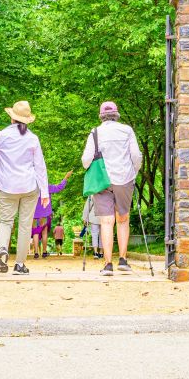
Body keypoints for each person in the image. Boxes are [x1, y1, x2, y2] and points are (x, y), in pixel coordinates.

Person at [0, 101, 50, 275]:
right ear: (27, 120)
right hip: (29, 186)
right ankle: (20, 264)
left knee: (6, 221)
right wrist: (45, 192)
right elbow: (40, 166)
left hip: (7, 186)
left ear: (12, 118)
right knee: (25, 225)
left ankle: (3, 251)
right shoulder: (32, 138)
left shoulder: (2, 135)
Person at [81, 101, 142, 276]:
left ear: (101, 116)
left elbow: (86, 161)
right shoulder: (127, 130)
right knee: (123, 219)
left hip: (102, 181)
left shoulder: (95, 133)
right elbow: (136, 156)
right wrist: (134, 171)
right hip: (124, 179)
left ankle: (108, 265)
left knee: (107, 222)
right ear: (117, 115)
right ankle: (123, 260)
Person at [31, 170, 72, 258]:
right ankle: (45, 252)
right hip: (45, 214)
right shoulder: (47, 187)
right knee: (44, 233)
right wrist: (66, 177)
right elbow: (59, 187)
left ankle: (36, 253)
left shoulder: (32, 188)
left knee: (35, 233)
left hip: (34, 215)